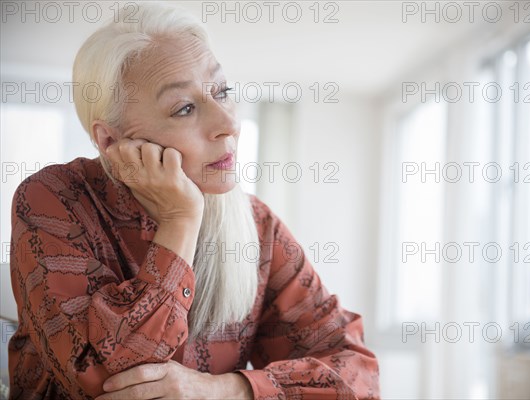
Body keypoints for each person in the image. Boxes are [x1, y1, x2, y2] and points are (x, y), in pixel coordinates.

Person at [8, 2, 379, 399]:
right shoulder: (52, 198)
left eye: (223, 91)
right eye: (184, 108)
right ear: (111, 142)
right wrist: (180, 220)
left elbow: (356, 373)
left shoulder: (257, 226)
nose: (229, 125)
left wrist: (227, 390)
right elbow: (108, 381)